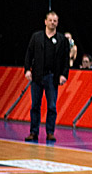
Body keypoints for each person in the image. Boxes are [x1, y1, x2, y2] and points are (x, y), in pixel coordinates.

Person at [23, 11, 69, 143]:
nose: (52, 23)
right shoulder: (36, 37)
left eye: (55, 21)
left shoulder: (61, 40)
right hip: (37, 76)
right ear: (45, 21)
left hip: (52, 77)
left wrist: (63, 75)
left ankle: (50, 132)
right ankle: (33, 132)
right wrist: (27, 70)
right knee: (35, 105)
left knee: (52, 106)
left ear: (57, 23)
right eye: (50, 20)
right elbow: (29, 54)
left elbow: (65, 59)